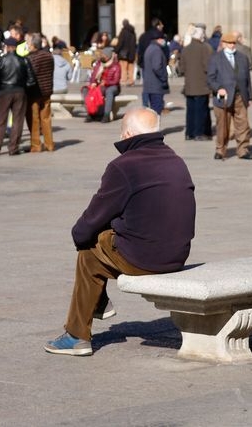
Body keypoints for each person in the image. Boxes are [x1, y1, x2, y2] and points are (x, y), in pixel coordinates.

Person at [45, 107, 196, 356]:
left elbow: (90, 221)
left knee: (89, 250)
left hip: (145, 258)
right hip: (178, 255)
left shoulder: (124, 166)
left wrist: (80, 236)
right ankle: (98, 303)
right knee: (105, 232)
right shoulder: (176, 160)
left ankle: (77, 335)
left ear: (127, 134)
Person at [207, 31, 252, 160]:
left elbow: (247, 79)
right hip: (223, 98)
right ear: (223, 44)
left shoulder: (242, 57)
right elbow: (210, 78)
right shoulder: (215, 58)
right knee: (223, 125)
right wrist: (219, 88)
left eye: (233, 43)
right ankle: (220, 150)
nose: (232, 45)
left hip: (240, 96)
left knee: (243, 124)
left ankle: (243, 150)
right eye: (229, 43)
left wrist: (249, 96)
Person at [0, 37, 36, 156]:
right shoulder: (24, 60)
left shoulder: (1, 60)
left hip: (5, 92)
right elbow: (31, 80)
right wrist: (23, 87)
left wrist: (0, 87)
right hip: (20, 92)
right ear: (15, 48)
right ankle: (13, 148)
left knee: (0, 120)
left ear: (6, 47)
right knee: (17, 121)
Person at [179, 25, 214, 140]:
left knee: (190, 110)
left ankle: (189, 133)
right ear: (202, 35)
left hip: (189, 86)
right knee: (201, 110)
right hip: (202, 85)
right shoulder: (206, 48)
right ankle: (199, 133)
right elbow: (208, 67)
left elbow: (181, 69)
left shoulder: (185, 49)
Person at [26, 33, 56, 152]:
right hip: (47, 91)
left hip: (35, 92)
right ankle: (49, 144)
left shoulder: (31, 58)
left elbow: (30, 75)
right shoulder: (49, 56)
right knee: (46, 118)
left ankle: (36, 145)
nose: (27, 45)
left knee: (34, 119)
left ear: (33, 45)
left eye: (28, 43)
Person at [90, 47, 122, 123]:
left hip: (113, 86)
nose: (102, 56)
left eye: (104, 55)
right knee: (92, 91)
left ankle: (106, 115)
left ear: (108, 56)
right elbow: (93, 76)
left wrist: (106, 82)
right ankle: (93, 113)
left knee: (109, 91)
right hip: (101, 85)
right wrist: (93, 82)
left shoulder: (116, 66)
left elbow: (116, 81)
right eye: (102, 54)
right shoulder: (99, 64)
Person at [141, 29, 169, 115]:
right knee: (156, 112)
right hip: (156, 85)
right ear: (159, 39)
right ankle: (155, 128)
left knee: (153, 111)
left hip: (150, 85)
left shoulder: (150, 48)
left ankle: (153, 127)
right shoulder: (157, 50)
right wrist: (164, 77)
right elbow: (157, 67)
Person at [115, 19, 137, 86]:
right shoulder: (133, 32)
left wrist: (116, 50)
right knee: (131, 68)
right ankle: (131, 81)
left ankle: (124, 80)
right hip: (131, 53)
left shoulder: (123, 32)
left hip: (123, 54)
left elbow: (120, 43)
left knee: (123, 68)